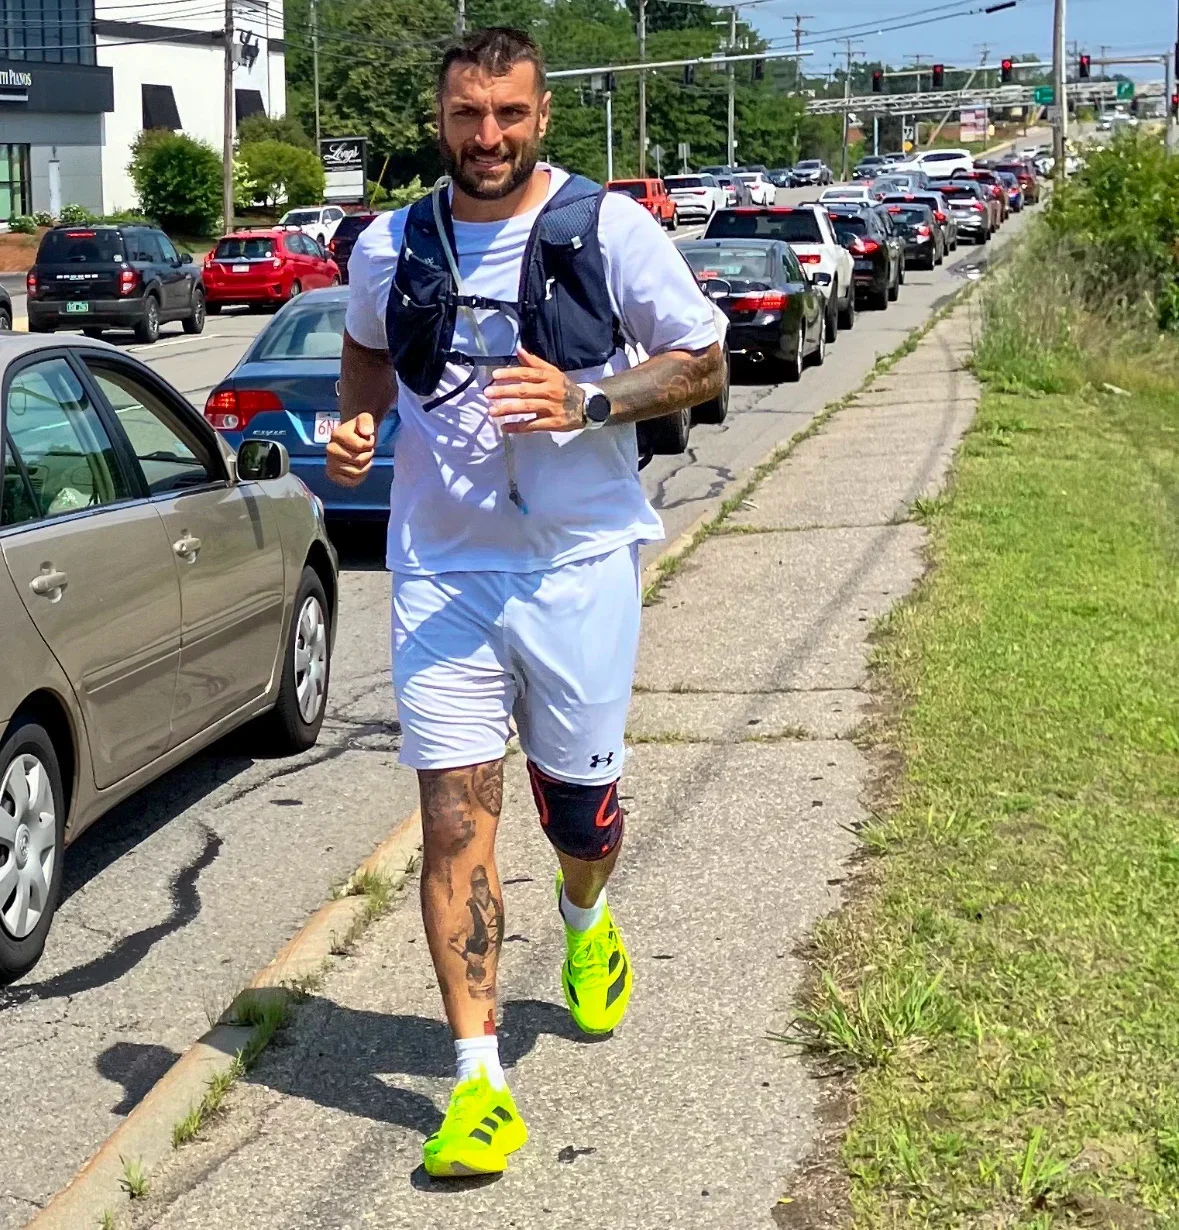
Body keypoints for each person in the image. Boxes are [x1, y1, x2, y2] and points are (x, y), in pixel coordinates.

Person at [327, 25, 723, 1179]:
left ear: (541, 116)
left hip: (579, 566)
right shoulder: (389, 243)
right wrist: (357, 428)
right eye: (465, 115)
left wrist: (590, 399)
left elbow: (702, 361)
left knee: (578, 817)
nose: (486, 136)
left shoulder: (606, 228)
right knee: (452, 816)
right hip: (442, 570)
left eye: (507, 114)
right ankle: (479, 1087)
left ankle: (588, 916)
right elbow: (365, 356)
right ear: (439, 120)